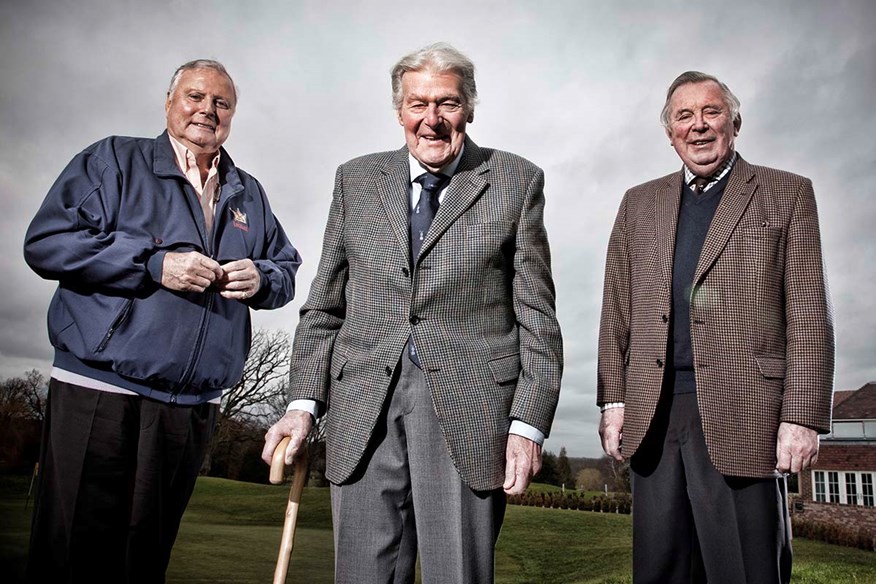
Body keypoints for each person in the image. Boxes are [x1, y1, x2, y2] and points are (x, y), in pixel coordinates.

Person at [262, 42, 563, 583]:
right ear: (398, 110)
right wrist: (303, 402)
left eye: (446, 103)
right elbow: (326, 302)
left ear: (469, 108)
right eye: (417, 104)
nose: (431, 119)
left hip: (469, 410)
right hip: (361, 407)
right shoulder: (355, 179)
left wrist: (528, 425)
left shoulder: (515, 180)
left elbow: (537, 314)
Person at [23, 59, 301, 583]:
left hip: (191, 407)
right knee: (73, 554)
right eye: (195, 96)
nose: (207, 110)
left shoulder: (248, 192)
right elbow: (47, 243)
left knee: (144, 558)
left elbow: (285, 269)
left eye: (221, 103)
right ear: (170, 101)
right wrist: (154, 263)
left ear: (232, 116)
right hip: (99, 389)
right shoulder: (113, 159)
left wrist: (261, 278)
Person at [597, 70, 834, 583]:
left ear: (734, 122)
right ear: (670, 132)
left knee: (745, 570)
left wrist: (803, 416)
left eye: (711, 113)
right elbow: (616, 305)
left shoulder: (786, 193)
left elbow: (810, 313)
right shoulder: (638, 202)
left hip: (745, 410)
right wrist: (613, 401)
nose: (698, 126)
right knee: (661, 570)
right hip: (654, 413)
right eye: (684, 116)